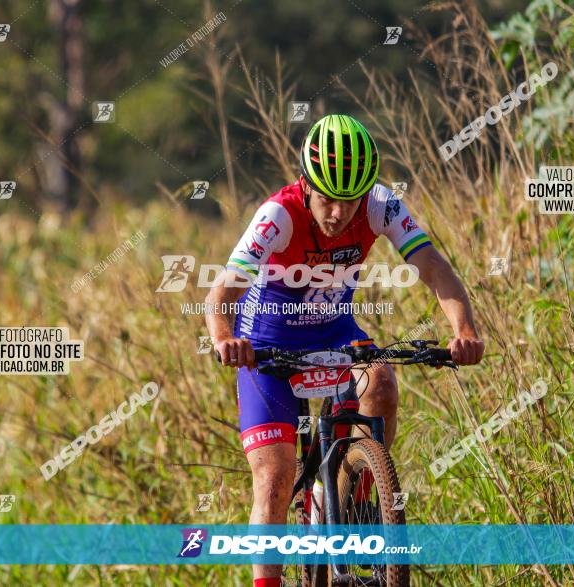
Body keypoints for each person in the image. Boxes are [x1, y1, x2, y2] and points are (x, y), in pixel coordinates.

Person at [204, 114, 484, 586]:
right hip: (266, 344)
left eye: (349, 200)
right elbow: (222, 293)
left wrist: (465, 329)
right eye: (327, 198)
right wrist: (223, 339)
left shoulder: (381, 205)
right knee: (273, 479)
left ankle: (353, 495)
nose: (337, 213)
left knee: (380, 382)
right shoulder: (278, 215)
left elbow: (432, 266)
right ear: (306, 185)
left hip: (334, 331)